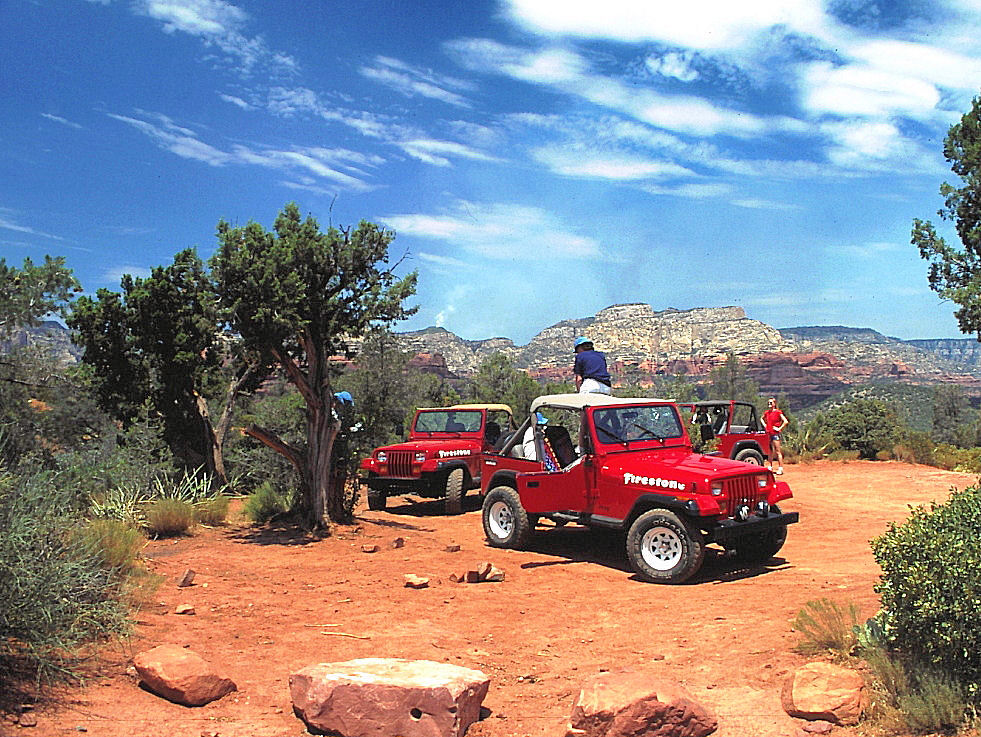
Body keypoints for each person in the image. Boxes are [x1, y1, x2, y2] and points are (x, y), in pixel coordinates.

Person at [763, 397, 789, 475]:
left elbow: (785, 421)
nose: (769, 404)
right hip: (769, 433)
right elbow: (762, 419)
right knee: (770, 451)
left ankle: (780, 468)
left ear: (774, 404)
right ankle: (770, 466)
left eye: (771, 403)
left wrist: (779, 428)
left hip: (775, 434)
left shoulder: (778, 412)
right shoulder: (767, 412)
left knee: (778, 451)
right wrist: (766, 425)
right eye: (768, 403)